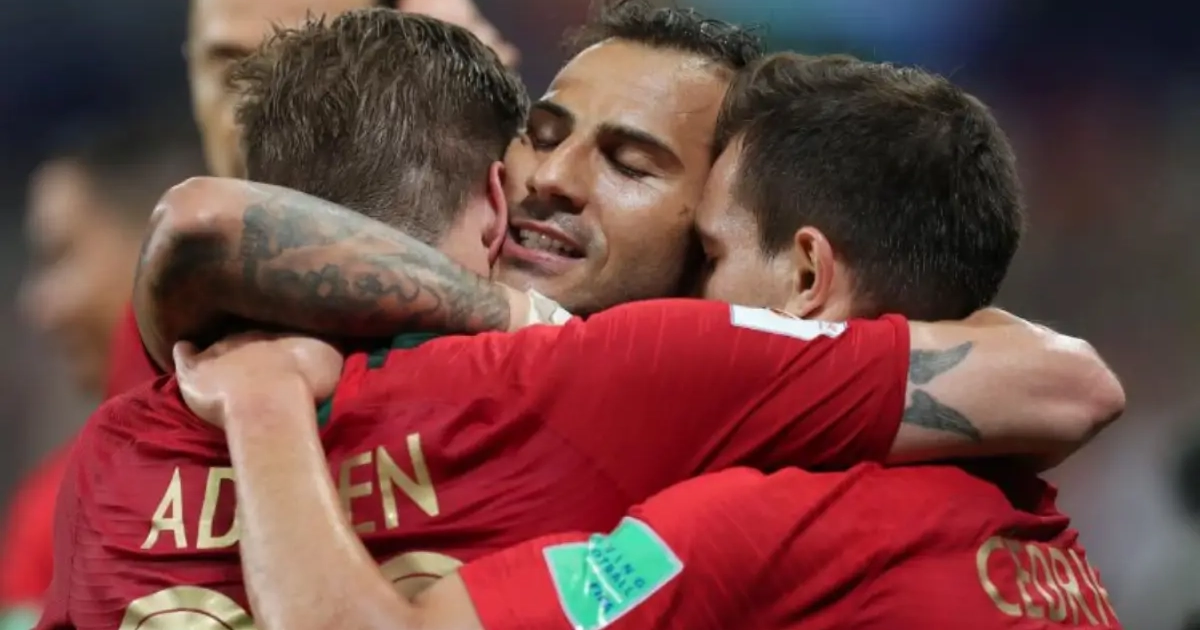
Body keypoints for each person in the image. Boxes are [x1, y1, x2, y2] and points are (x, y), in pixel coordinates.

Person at [44, 7, 1118, 629]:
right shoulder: (623, 379)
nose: (553, 179)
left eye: (632, 163)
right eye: (542, 132)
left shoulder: (698, 419)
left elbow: (1065, 381)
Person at [101, 0, 519, 400]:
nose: (245, 114)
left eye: (300, 64)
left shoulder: (524, 262)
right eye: (224, 64)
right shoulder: (170, 301)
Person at [1, 119, 204, 630]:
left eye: (59, 256)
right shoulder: (51, 508)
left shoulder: (298, 420)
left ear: (158, 241)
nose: (37, 305)